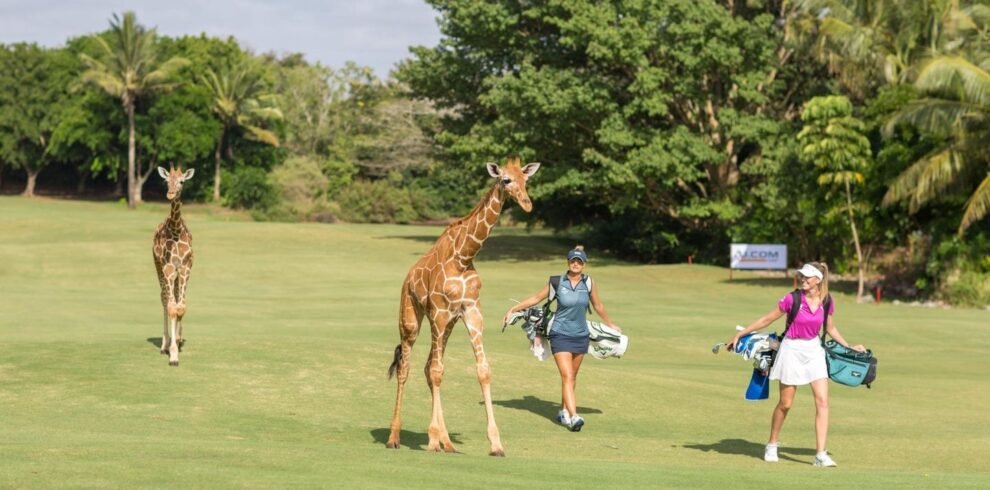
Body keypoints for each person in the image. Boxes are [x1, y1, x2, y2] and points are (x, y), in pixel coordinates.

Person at [726, 262, 866, 467]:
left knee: (823, 402)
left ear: (818, 280)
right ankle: (772, 444)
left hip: (814, 352)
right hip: (791, 350)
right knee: (786, 404)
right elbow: (767, 319)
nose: (803, 279)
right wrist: (741, 334)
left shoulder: (827, 301)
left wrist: (850, 347)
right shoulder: (792, 299)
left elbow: (831, 328)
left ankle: (820, 454)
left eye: (808, 277)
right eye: (801, 275)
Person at [503, 246, 620, 432]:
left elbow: (598, 305)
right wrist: (513, 309)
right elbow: (536, 298)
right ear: (568, 262)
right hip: (560, 334)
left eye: (579, 261)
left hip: (581, 335)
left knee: (572, 377)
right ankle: (573, 417)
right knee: (566, 375)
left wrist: (610, 324)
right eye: (573, 260)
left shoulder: (589, 283)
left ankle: (563, 410)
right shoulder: (557, 282)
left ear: (584, 265)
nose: (575, 264)